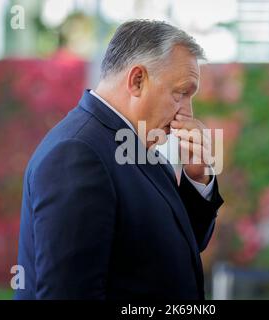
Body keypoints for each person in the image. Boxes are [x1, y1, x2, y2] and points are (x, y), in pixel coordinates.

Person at [15, 20, 224, 300]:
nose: (186, 113)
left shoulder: (133, 145)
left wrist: (197, 177)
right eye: (181, 93)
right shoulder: (77, 154)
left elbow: (183, 244)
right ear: (137, 80)